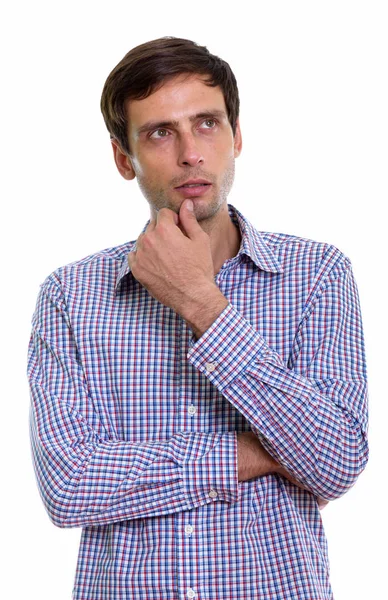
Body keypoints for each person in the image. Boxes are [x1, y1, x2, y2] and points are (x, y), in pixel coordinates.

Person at [28, 37, 369, 600]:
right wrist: (262, 452)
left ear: (237, 136)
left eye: (207, 124)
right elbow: (69, 486)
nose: (191, 153)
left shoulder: (316, 274)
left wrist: (200, 303)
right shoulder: (72, 295)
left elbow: (335, 460)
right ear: (123, 158)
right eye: (160, 132)